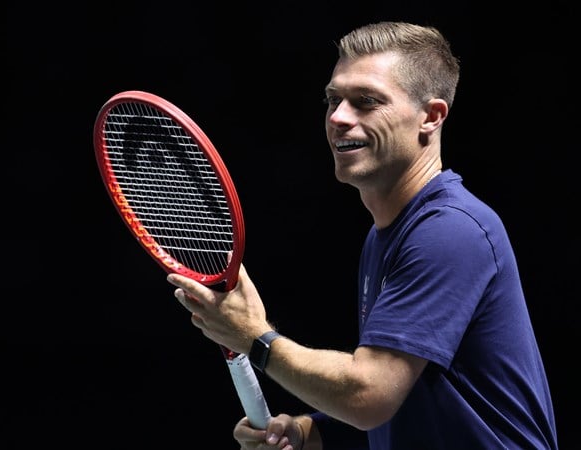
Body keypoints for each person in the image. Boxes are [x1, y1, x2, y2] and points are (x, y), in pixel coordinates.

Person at [167, 21, 558, 450]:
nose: (337, 117)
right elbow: (399, 400)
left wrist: (254, 337)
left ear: (430, 117)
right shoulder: (386, 236)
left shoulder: (451, 231)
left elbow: (368, 395)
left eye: (366, 102)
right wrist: (304, 432)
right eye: (333, 100)